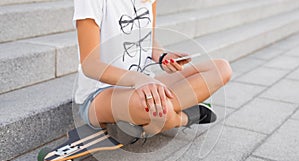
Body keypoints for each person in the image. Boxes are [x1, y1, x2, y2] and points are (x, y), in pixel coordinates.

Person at [73, 0, 232, 139]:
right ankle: (182, 118)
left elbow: (150, 41)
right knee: (162, 109)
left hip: (145, 84)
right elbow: (90, 65)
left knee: (221, 68)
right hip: (100, 93)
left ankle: (149, 122)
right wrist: (138, 79)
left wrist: (163, 57)